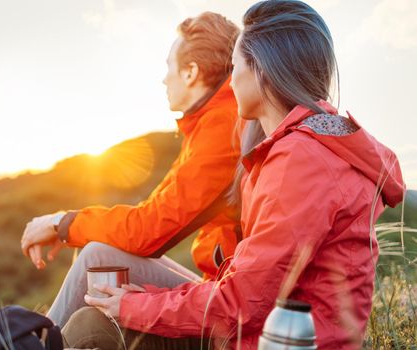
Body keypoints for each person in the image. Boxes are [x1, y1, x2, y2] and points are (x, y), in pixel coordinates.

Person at [61, 1, 406, 349]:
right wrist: (145, 298)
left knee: (90, 325)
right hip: (264, 333)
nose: (231, 79)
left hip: (267, 340)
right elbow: (248, 284)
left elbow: (241, 304)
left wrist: (133, 306)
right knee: (94, 318)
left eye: (235, 66)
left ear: (260, 70)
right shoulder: (300, 150)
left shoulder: (301, 162)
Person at [20, 12, 243, 328]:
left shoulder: (223, 126)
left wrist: (61, 223)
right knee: (99, 250)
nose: (164, 78)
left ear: (191, 72)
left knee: (97, 257)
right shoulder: (212, 122)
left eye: (169, 66)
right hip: (221, 287)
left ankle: (39, 344)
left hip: (232, 303)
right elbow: (150, 215)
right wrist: (70, 225)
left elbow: (149, 230)